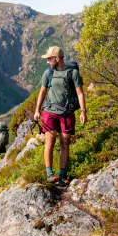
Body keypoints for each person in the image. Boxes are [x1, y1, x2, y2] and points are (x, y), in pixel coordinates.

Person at [32, 46, 86, 186]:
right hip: (49, 112)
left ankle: (61, 175)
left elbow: (80, 93)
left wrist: (83, 111)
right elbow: (42, 92)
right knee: (50, 141)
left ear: (57, 58)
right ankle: (50, 174)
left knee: (64, 143)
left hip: (67, 113)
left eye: (49, 59)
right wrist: (37, 110)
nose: (47, 62)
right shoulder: (48, 73)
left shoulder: (73, 73)